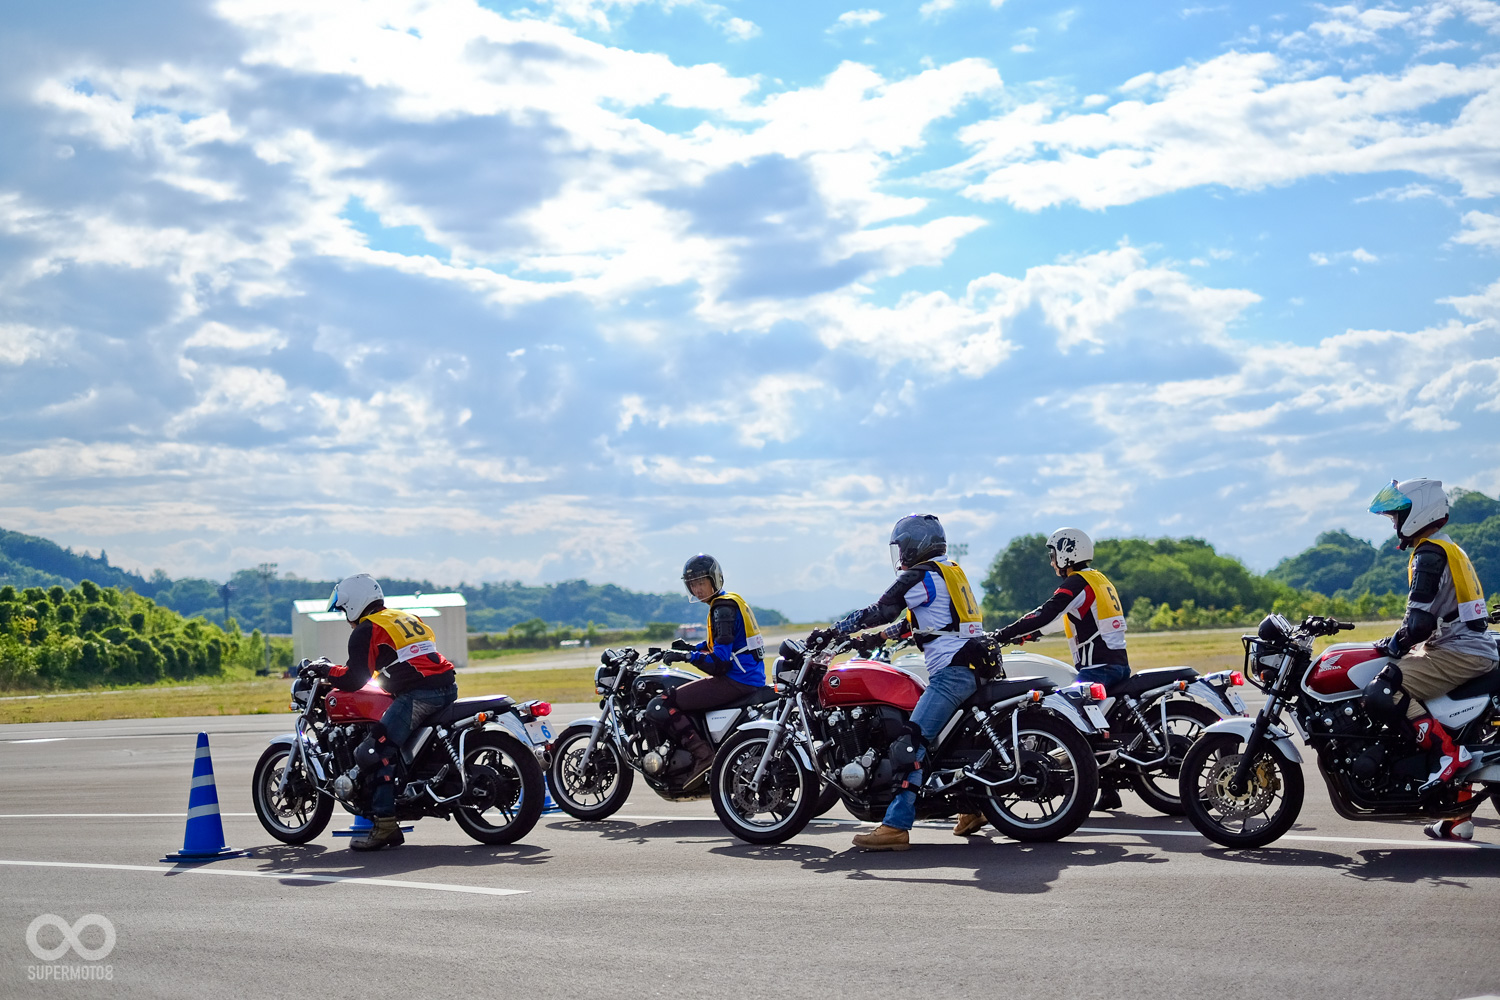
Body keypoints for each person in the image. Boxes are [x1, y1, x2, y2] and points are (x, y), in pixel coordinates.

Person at [828, 514, 986, 851]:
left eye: (902, 546)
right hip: (974, 665)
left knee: (909, 744)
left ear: (916, 545)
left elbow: (883, 609)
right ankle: (971, 809)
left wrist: (837, 629)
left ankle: (895, 826)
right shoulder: (949, 571)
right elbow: (915, 622)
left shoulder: (920, 575)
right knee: (946, 745)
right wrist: (872, 640)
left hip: (952, 672)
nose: (900, 554)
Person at [1364, 478, 1497, 840]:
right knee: (1450, 720)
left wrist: (1394, 645)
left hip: (1460, 653)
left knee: (1382, 690)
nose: (1394, 522)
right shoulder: (1445, 547)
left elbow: (1419, 623)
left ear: (1417, 511)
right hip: (1467, 648)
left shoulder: (1428, 553)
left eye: (1398, 514)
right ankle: (1458, 819)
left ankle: (1445, 755)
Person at [989, 527, 1131, 811]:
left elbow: (1046, 613)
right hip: (1118, 665)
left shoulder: (1075, 583)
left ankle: (1075, 786)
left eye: (1053, 555)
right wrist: (1028, 635)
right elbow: (1061, 620)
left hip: (1096, 669)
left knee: (1062, 724)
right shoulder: (1098, 580)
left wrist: (1001, 634)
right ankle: (1109, 789)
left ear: (1067, 553)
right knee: (1101, 729)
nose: (1051, 561)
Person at [322, 573, 457, 851]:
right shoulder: (406, 618)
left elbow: (354, 679)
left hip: (419, 695)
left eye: (343, 609)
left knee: (371, 752)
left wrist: (325, 671)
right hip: (447, 686)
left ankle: (385, 825)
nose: (345, 617)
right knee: (398, 742)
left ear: (353, 604)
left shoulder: (366, 629)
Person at [646, 554, 768, 783]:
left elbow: (720, 663)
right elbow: (723, 644)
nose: (697, 589)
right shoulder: (730, 601)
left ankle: (703, 755)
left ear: (715, 580)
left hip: (737, 679)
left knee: (663, 703)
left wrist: (688, 657)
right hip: (749, 677)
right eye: (692, 584)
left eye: (701, 583)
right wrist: (691, 649)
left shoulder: (721, 608)